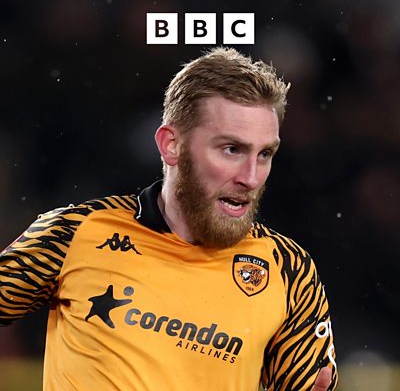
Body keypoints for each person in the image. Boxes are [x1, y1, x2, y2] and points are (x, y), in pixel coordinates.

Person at [0, 47, 338, 390]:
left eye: (264, 154)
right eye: (232, 149)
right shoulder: (76, 233)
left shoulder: (288, 270)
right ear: (171, 145)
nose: (251, 177)